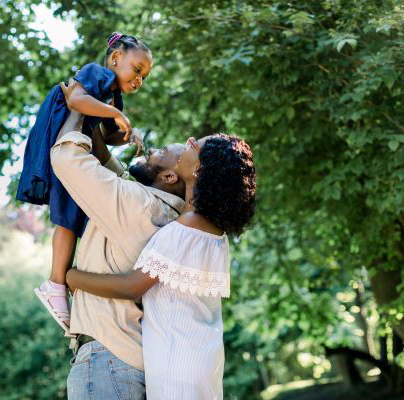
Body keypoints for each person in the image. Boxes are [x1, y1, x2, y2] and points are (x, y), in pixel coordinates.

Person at [66, 133, 257, 399]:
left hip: (179, 363)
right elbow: (128, 187)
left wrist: (71, 277)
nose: (188, 140)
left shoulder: (185, 229)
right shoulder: (211, 233)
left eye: (193, 145)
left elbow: (131, 286)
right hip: (198, 357)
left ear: (199, 170)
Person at [16, 32, 152, 335]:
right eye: (137, 69)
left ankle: (62, 283)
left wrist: (129, 132)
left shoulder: (113, 94)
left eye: (145, 76)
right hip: (66, 143)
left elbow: (106, 134)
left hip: (84, 148)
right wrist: (116, 113)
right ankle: (55, 284)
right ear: (116, 58)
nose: (140, 79)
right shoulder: (98, 73)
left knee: (74, 218)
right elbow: (75, 99)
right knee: (66, 219)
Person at [49, 106, 186, 399]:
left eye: (162, 151)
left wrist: (76, 106)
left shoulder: (141, 206)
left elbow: (66, 157)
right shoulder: (161, 210)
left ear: (171, 177)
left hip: (107, 362)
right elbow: (109, 166)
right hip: (118, 360)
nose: (152, 149)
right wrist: (100, 116)